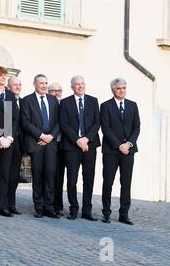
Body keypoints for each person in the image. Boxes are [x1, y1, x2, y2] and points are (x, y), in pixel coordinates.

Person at [59, 76, 100, 221]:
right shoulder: (65, 103)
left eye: (82, 83)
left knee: (88, 179)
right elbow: (63, 124)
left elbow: (97, 123)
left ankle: (87, 211)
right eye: (77, 84)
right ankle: (73, 209)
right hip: (71, 146)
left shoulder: (93, 101)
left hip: (90, 145)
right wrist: (77, 140)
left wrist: (86, 139)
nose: (80, 86)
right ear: (72, 87)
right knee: (72, 180)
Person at [100, 78, 140, 225]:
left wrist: (128, 144)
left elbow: (137, 127)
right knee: (108, 182)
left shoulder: (133, 105)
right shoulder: (105, 106)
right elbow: (106, 128)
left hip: (129, 151)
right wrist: (119, 145)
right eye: (118, 88)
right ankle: (106, 213)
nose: (122, 90)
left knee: (126, 182)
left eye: (123, 88)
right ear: (113, 90)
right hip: (111, 151)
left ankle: (124, 214)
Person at [20, 74, 60, 218]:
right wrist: (41, 136)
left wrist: (50, 137)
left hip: (50, 144)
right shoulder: (27, 100)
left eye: (46, 83)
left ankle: (49, 207)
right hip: (36, 143)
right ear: (34, 84)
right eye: (41, 83)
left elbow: (58, 121)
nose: (44, 85)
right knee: (38, 175)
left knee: (50, 175)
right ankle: (39, 207)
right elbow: (25, 122)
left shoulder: (53, 99)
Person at [0, 66, 17, 218]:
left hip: (8, 142)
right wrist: (0, 138)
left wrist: (9, 138)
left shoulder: (11, 96)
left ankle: (2, 206)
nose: (3, 78)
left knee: (5, 174)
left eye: (4, 75)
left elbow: (15, 118)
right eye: (0, 75)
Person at [6, 77, 24, 215]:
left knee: (14, 176)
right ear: (8, 87)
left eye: (19, 84)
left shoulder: (23, 102)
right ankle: (3, 204)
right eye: (15, 85)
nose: (18, 87)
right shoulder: (5, 100)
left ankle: (11, 204)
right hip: (6, 142)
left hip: (19, 143)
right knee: (5, 174)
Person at [48, 82, 65, 216]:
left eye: (59, 90)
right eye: (53, 91)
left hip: (63, 145)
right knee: (49, 175)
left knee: (59, 176)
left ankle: (57, 205)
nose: (57, 93)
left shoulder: (65, 104)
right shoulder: (48, 104)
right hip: (49, 143)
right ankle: (47, 203)